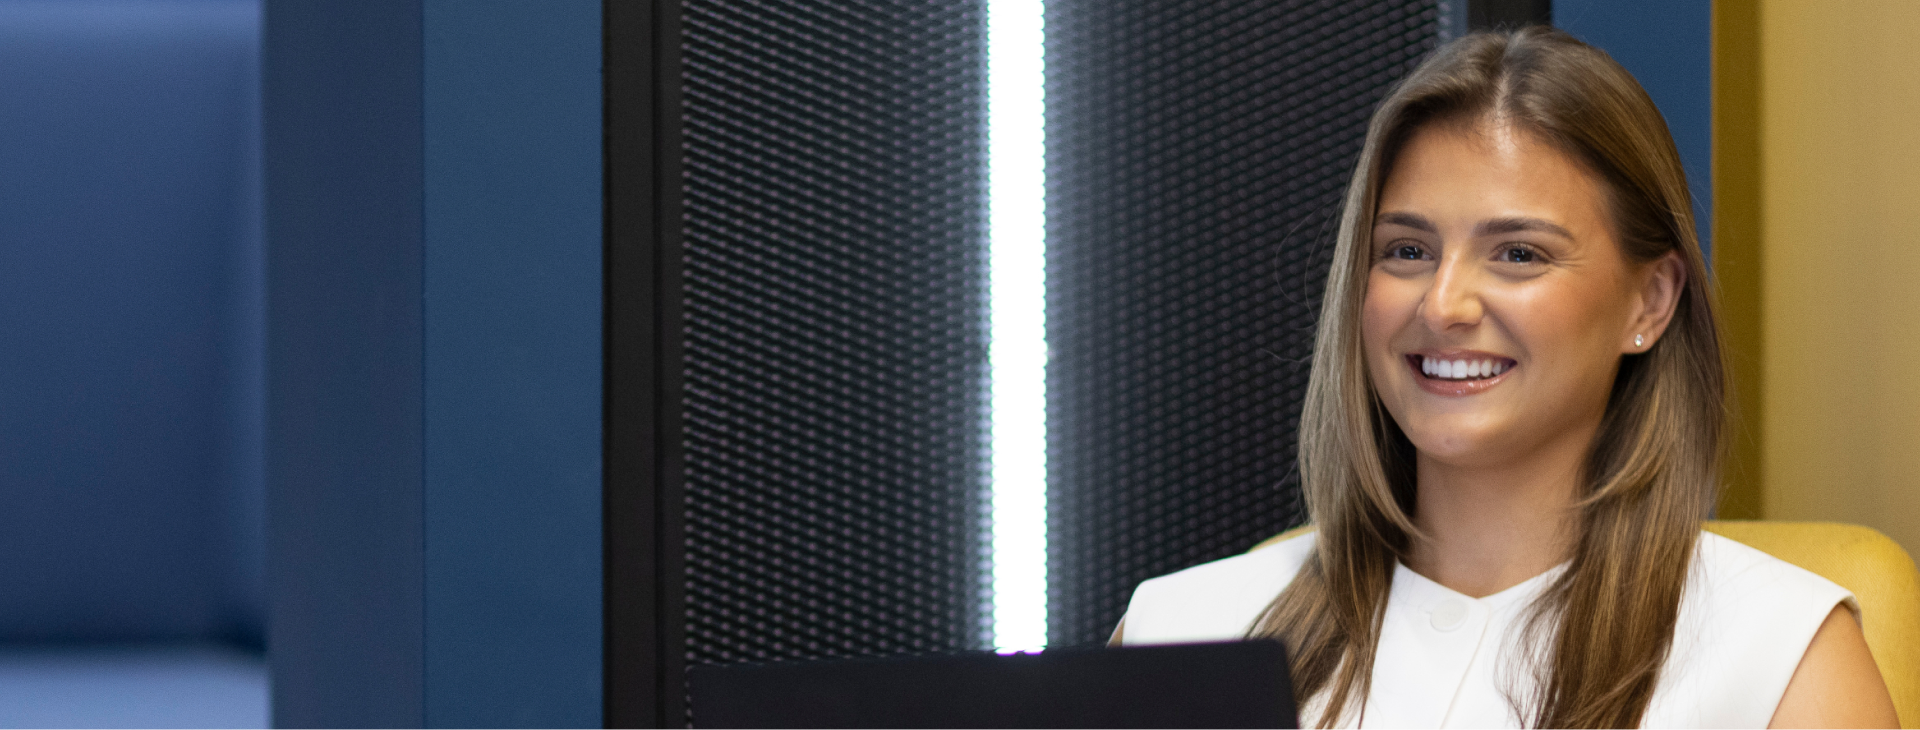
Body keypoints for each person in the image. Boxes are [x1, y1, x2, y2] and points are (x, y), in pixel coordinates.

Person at [1110, 27, 1897, 730]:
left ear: (1650, 302)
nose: (1443, 304)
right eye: (1407, 251)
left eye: (1519, 254)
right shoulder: (1179, 631)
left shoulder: (1782, 658)